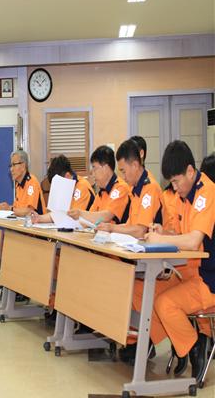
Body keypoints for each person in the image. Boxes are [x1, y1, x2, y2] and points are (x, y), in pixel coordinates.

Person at [142, 141, 215, 379]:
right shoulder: (186, 194)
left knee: (165, 304)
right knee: (148, 292)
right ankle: (182, 342)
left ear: (190, 172)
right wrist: (164, 232)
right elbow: (181, 234)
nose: (174, 187)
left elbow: (193, 241)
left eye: (176, 181)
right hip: (190, 271)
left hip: (209, 278)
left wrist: (160, 239)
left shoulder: (207, 193)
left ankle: (195, 346)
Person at [96, 139, 163, 238]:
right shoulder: (135, 189)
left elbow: (141, 231)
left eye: (123, 171)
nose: (123, 177)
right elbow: (130, 226)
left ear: (135, 165)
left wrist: (112, 228)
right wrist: (107, 227)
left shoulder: (150, 188)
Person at [68, 145, 130, 226]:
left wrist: (80, 213)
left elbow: (107, 216)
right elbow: (90, 217)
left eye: (94, 168)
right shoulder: (101, 192)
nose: (92, 174)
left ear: (105, 168)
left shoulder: (121, 188)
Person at [32, 154, 94, 224]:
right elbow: (57, 213)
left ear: (67, 176)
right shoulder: (65, 186)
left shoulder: (82, 187)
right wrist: (39, 218)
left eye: (58, 184)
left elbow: (72, 217)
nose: (57, 188)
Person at [0, 150, 45, 216]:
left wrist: (9, 209)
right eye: (10, 165)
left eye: (14, 165)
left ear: (23, 166)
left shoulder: (32, 182)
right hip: (22, 221)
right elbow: (17, 209)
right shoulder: (18, 185)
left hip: (37, 222)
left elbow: (29, 212)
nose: (11, 169)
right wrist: (2, 207)